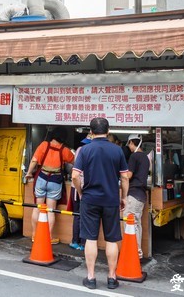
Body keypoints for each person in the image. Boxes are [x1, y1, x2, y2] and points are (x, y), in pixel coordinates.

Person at [71, 117, 129, 290]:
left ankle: (91, 277)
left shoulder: (85, 150)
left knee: (90, 238)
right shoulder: (117, 150)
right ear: (108, 131)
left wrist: (81, 192)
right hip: (111, 200)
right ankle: (112, 278)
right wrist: (124, 197)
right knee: (112, 239)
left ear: (91, 132)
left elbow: (74, 175)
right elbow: (125, 177)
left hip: (89, 199)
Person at [24, 130, 75, 244]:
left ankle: (34, 235)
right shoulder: (65, 150)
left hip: (42, 178)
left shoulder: (44, 145)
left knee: (37, 207)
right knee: (50, 211)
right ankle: (49, 237)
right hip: (55, 181)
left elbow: (34, 160)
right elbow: (75, 161)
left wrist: (29, 173)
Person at [124, 134, 150, 259]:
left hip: (134, 194)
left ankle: (133, 252)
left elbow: (128, 175)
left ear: (132, 142)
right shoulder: (145, 157)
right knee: (136, 223)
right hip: (141, 195)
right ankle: (137, 251)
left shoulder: (134, 156)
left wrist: (120, 176)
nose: (128, 147)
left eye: (129, 144)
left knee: (129, 222)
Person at [69, 136, 91, 251]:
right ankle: (82, 243)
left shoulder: (79, 150)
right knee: (83, 216)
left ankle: (75, 241)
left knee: (77, 215)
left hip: (76, 186)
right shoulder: (91, 151)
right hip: (84, 186)